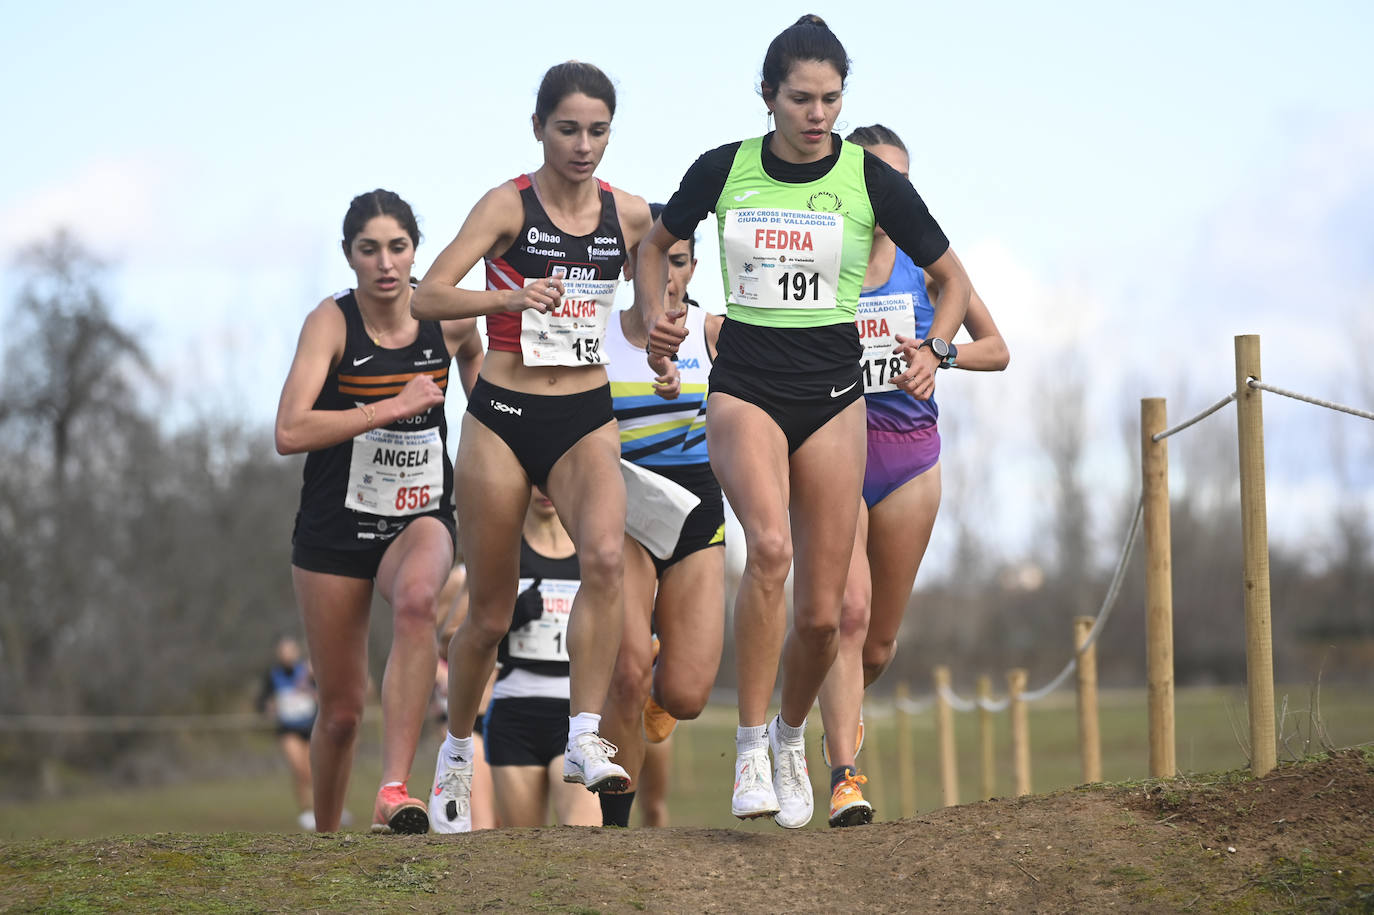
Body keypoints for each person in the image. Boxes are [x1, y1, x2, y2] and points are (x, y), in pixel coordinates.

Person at [642, 15, 972, 829]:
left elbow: (951, 278)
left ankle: (793, 738)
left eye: (830, 98)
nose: (816, 113)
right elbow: (658, 242)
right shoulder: (724, 169)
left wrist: (934, 347)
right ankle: (750, 746)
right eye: (800, 98)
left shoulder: (870, 179)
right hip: (746, 386)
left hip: (833, 398)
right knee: (771, 551)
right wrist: (662, 311)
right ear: (768, 96)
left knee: (825, 615)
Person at [412, 61, 659, 833]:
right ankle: (456, 753)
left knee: (606, 560)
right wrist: (508, 296)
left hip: (584, 412)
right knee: (487, 613)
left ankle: (584, 736)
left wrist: (661, 333)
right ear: (538, 128)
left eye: (598, 130)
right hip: (503, 414)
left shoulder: (633, 215)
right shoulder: (507, 205)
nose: (583, 145)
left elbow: (649, 308)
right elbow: (427, 295)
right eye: (568, 129)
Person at [817, 124, 1010, 827]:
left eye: (899, 180)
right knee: (847, 612)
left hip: (908, 457)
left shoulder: (930, 269)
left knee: (876, 641)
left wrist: (939, 355)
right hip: (837, 447)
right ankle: (844, 772)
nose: (886, 193)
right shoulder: (821, 261)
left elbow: (997, 348)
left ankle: (845, 706)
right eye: (874, 178)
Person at [274, 189, 484, 834]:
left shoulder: (446, 320)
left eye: (398, 247)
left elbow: (475, 357)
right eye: (370, 250)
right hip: (335, 529)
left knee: (421, 601)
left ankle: (394, 791)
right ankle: (327, 841)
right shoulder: (331, 323)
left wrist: (487, 427)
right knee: (340, 713)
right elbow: (289, 430)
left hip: (418, 516)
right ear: (350, 257)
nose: (386, 263)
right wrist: (388, 407)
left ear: (415, 251)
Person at [597, 205, 724, 827]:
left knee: (686, 694)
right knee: (624, 668)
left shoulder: (713, 331)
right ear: (629, 265)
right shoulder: (596, 337)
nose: (666, 276)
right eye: (651, 258)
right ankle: (615, 838)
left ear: (692, 265)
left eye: (678, 261)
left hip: (697, 515)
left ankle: (656, 691)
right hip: (626, 513)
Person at [480, 488, 603, 827]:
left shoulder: (594, 550)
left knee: (585, 837)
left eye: (553, 480)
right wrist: (507, 617)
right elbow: (454, 633)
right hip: (514, 714)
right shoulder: (502, 550)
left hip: (575, 717)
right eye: (535, 480)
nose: (546, 491)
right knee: (525, 853)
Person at [433, 562, 498, 830]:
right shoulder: (460, 578)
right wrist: (441, 676)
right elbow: (433, 637)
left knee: (511, 824)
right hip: (475, 715)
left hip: (517, 708)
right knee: (480, 823)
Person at [257, 635, 317, 830]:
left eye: (291, 650)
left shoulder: (308, 671)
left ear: (297, 652)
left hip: (311, 728)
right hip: (288, 729)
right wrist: (268, 707)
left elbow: (324, 693)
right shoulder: (273, 675)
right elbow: (261, 701)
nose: (287, 654)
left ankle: (321, 809)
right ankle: (306, 811)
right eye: (284, 651)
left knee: (312, 771)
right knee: (300, 769)